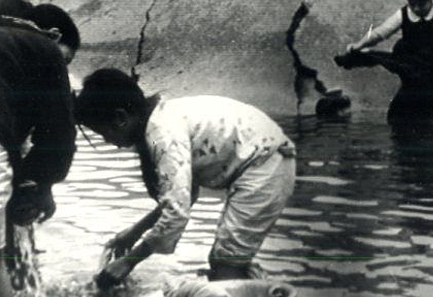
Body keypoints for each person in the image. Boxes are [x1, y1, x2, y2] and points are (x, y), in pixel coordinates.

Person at [74, 69, 296, 284]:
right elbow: (182, 196)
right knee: (228, 259)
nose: (107, 141)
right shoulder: (158, 118)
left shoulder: (162, 135)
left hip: (264, 162)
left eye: (104, 133)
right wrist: (134, 232)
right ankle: (257, 292)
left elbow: (177, 213)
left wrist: (129, 261)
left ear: (121, 118)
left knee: (226, 260)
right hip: (264, 157)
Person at [0, 23, 77, 297]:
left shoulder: (11, 41)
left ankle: (18, 282)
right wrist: (42, 185)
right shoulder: (44, 50)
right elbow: (60, 132)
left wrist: (25, 181)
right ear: (56, 36)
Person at [335, 0, 433, 117]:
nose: (416, 9)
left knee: (428, 111)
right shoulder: (404, 13)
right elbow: (380, 33)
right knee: (396, 112)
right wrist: (359, 44)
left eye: (421, 4)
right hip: (411, 66)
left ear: (431, 0)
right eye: (412, 5)